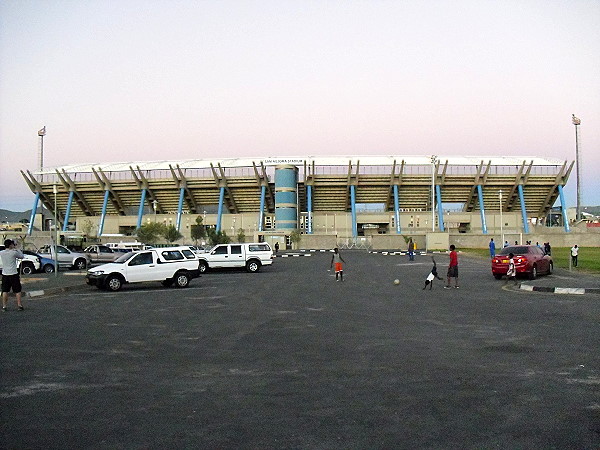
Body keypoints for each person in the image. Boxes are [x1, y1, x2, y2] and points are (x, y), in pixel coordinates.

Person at [1, 239, 24, 311]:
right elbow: (21, 256)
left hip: (5, 274)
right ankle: (19, 305)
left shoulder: (1, 253)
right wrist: (17, 248)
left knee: (5, 291)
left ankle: (4, 306)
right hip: (13, 273)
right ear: (11, 245)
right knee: (17, 290)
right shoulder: (13, 253)